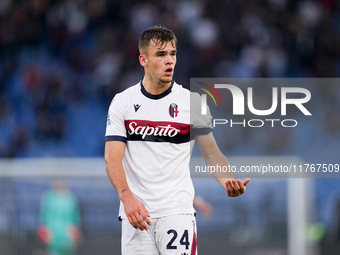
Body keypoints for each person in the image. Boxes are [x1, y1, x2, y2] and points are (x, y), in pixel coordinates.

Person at [104, 25, 250, 255]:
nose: (169, 60)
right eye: (160, 55)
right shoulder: (122, 102)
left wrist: (227, 180)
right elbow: (112, 157)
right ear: (143, 59)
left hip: (177, 212)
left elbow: (212, 154)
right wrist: (126, 198)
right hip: (136, 214)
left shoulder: (192, 103)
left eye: (172, 54)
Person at [38, 178, 81, 255]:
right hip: (53, 235)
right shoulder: (48, 198)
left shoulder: (71, 198)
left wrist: (73, 231)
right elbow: (43, 218)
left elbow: (75, 219)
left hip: (67, 236)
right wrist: (45, 230)